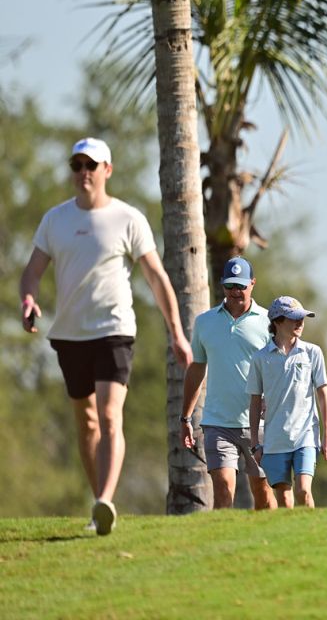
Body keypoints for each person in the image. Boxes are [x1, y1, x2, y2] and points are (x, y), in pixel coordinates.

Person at [19, 137, 193, 535]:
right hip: (68, 335)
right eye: (77, 165)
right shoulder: (55, 220)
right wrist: (28, 299)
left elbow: (156, 277)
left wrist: (177, 335)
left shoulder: (127, 218)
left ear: (107, 171)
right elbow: (32, 272)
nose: (83, 172)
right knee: (87, 423)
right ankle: (99, 507)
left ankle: (104, 500)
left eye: (91, 165)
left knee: (110, 414)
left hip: (114, 330)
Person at [179, 257, 275, 510]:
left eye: (241, 285)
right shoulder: (204, 322)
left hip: (260, 424)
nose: (236, 291)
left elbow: (278, 369)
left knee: (263, 492)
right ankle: (223, 546)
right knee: (223, 490)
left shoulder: (268, 322)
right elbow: (197, 368)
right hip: (218, 423)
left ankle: (269, 545)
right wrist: (185, 418)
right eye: (230, 285)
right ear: (222, 286)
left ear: (252, 284)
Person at [248, 296, 327, 509]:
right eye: (294, 319)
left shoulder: (312, 353)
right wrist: (254, 444)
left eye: (302, 319)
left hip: (305, 435)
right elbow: (254, 402)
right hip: (275, 439)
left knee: (303, 491)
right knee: (284, 499)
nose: (300, 323)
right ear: (277, 321)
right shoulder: (260, 358)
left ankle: (312, 534)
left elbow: (323, 395)